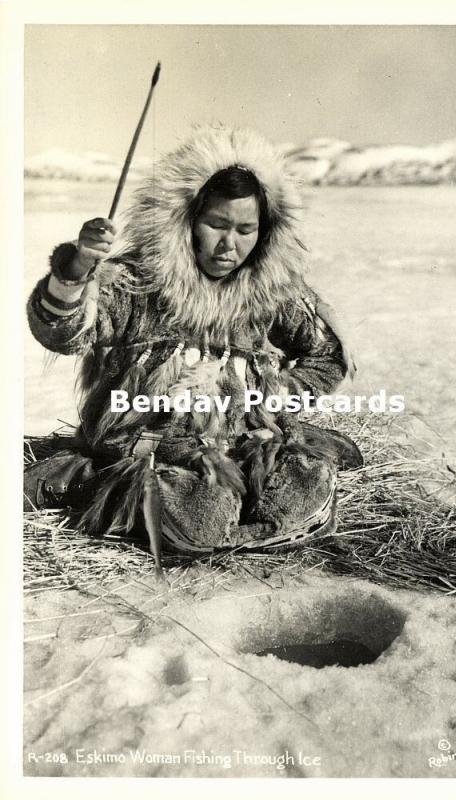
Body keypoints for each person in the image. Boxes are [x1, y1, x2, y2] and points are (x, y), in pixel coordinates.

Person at [25, 125, 362, 567]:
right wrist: (78, 268)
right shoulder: (138, 283)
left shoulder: (274, 292)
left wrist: (273, 396)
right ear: (186, 220)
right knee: (198, 521)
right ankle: (90, 478)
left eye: (246, 229)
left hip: (242, 441)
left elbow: (327, 355)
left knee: (302, 498)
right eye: (216, 224)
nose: (229, 245)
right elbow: (63, 332)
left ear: (266, 232)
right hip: (151, 443)